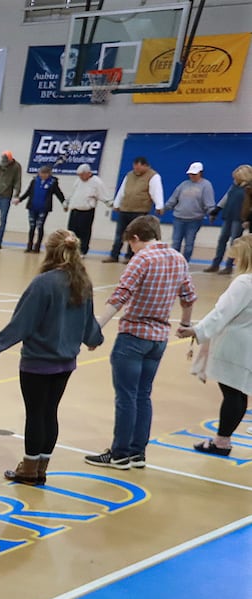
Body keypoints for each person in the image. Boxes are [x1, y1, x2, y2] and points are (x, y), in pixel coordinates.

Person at [0, 230, 103, 484]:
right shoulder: (82, 282)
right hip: (66, 363)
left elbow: (22, 322)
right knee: (50, 413)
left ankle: (29, 469)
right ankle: (42, 467)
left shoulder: (43, 283)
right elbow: (89, 321)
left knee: (35, 414)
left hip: (38, 362)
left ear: (50, 251)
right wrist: (93, 339)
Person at [85, 215, 196, 470]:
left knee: (126, 397)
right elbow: (188, 296)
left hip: (134, 335)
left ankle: (119, 453)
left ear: (136, 238)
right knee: (143, 395)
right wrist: (186, 325)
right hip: (159, 339)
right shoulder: (179, 258)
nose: (131, 249)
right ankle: (138, 453)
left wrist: (96, 328)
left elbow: (121, 295)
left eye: (130, 244)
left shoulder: (142, 259)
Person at [178, 234, 252, 454]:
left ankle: (222, 441)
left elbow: (222, 312)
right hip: (248, 342)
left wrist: (197, 330)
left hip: (235, 343)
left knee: (232, 393)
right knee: (239, 393)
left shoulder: (244, 282)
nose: (234, 262)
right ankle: (223, 439)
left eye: (236, 258)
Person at [108, 157, 163, 263]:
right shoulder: (129, 175)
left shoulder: (153, 176)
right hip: (125, 209)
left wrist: (159, 206)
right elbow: (122, 190)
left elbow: (156, 191)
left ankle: (130, 257)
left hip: (140, 210)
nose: (136, 170)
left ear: (145, 166)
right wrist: (116, 203)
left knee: (135, 235)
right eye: (134, 167)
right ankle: (114, 255)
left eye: (138, 168)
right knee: (119, 234)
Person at [164, 162, 216, 261]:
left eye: (194, 174)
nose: (192, 176)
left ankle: (184, 262)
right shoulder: (184, 184)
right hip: (179, 218)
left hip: (194, 220)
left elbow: (209, 203)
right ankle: (173, 262)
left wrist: (211, 213)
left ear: (200, 173)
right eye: (190, 174)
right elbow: (173, 199)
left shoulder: (206, 185)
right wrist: (165, 208)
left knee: (189, 244)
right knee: (176, 242)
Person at [206, 165, 251, 275]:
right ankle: (216, 263)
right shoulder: (234, 186)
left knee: (234, 242)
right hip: (228, 216)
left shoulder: (249, 188)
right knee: (222, 240)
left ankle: (229, 265)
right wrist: (216, 210)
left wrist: (248, 219)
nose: (235, 179)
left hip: (239, 218)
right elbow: (226, 198)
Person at [17, 165, 66, 254]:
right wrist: (20, 199)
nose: (42, 175)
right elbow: (28, 192)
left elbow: (59, 194)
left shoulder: (52, 182)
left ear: (48, 174)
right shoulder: (34, 181)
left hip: (43, 208)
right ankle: (29, 245)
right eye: (41, 173)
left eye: (45, 173)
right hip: (32, 207)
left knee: (40, 226)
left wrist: (64, 202)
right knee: (32, 227)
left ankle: (37, 246)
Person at [65, 164, 110, 256]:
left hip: (86, 211)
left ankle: (82, 251)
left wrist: (111, 204)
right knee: (71, 231)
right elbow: (73, 193)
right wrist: (66, 203)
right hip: (74, 209)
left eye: (82, 175)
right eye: (79, 175)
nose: (80, 177)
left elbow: (104, 195)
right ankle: (71, 250)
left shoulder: (97, 182)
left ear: (88, 173)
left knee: (84, 232)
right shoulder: (78, 181)